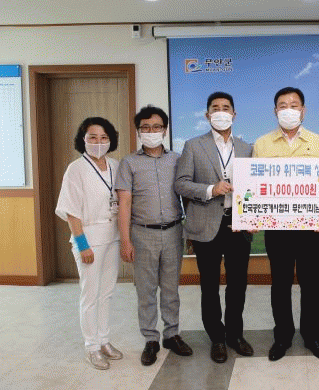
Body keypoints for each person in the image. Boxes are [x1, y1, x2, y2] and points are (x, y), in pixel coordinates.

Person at [253, 87, 319, 361]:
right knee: (280, 284)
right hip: (276, 229)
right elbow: (255, 185)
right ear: (275, 111)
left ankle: (313, 336)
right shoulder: (262, 144)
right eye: (283, 105)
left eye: (294, 105)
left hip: (309, 228)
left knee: (311, 284)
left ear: (303, 110)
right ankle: (282, 337)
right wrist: (252, 217)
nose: (289, 110)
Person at [174, 92, 254, 363]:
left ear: (234, 114)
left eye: (226, 108)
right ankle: (217, 338)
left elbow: (255, 188)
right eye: (215, 108)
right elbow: (181, 183)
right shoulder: (193, 146)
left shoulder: (246, 148)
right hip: (206, 224)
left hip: (238, 226)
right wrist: (211, 189)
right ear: (208, 115)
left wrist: (253, 218)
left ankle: (235, 335)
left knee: (238, 285)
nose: (221, 112)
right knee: (209, 286)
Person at [116, 105, 193, 366]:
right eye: (146, 128)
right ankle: (151, 338)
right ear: (139, 132)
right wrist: (125, 240)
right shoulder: (129, 162)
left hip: (173, 231)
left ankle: (172, 334)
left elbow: (186, 196)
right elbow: (124, 203)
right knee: (146, 290)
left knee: (171, 289)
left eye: (156, 127)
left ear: (165, 130)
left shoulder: (178, 159)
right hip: (142, 233)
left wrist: (190, 231)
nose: (151, 132)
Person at [55, 117, 122, 370]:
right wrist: (82, 244)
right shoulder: (76, 169)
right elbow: (71, 211)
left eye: (103, 137)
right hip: (89, 237)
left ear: (110, 140)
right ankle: (91, 347)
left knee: (107, 292)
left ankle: (104, 340)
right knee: (90, 295)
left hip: (112, 235)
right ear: (83, 140)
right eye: (92, 137)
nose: (98, 142)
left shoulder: (115, 165)